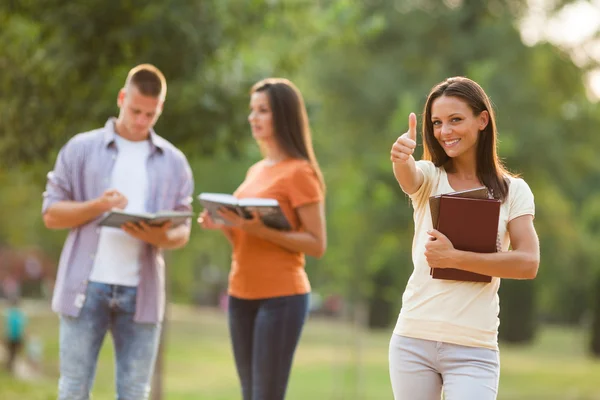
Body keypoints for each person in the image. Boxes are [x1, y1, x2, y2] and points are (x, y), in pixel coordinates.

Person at [42, 64, 194, 400]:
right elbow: (51, 214)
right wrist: (97, 206)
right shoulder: (81, 148)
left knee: (135, 392)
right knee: (73, 389)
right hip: (86, 287)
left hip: (142, 293)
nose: (141, 120)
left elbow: (182, 229)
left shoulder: (174, 161)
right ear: (122, 98)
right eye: (135, 110)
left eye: (150, 114)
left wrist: (157, 236)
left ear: (160, 109)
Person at [388, 76, 540, 400]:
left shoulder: (514, 192)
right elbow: (409, 176)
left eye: (456, 120)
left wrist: (455, 258)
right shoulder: (430, 177)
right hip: (414, 339)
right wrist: (401, 159)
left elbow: (528, 263)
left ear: (482, 120)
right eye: (438, 123)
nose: (445, 131)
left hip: (475, 348)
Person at [198, 77, 327, 400]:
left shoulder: (301, 172)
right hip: (240, 294)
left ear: (282, 116)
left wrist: (262, 230)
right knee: (249, 393)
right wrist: (224, 222)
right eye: (252, 110)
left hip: (282, 297)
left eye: (263, 111)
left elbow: (317, 244)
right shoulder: (256, 170)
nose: (253, 118)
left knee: (265, 395)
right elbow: (247, 239)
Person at [4, 296, 27, 374]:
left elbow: (7, 326)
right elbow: (22, 327)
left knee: (11, 353)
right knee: (14, 352)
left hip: (12, 336)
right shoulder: (19, 314)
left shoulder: (10, 314)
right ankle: (11, 367)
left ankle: (11, 367)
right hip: (16, 337)